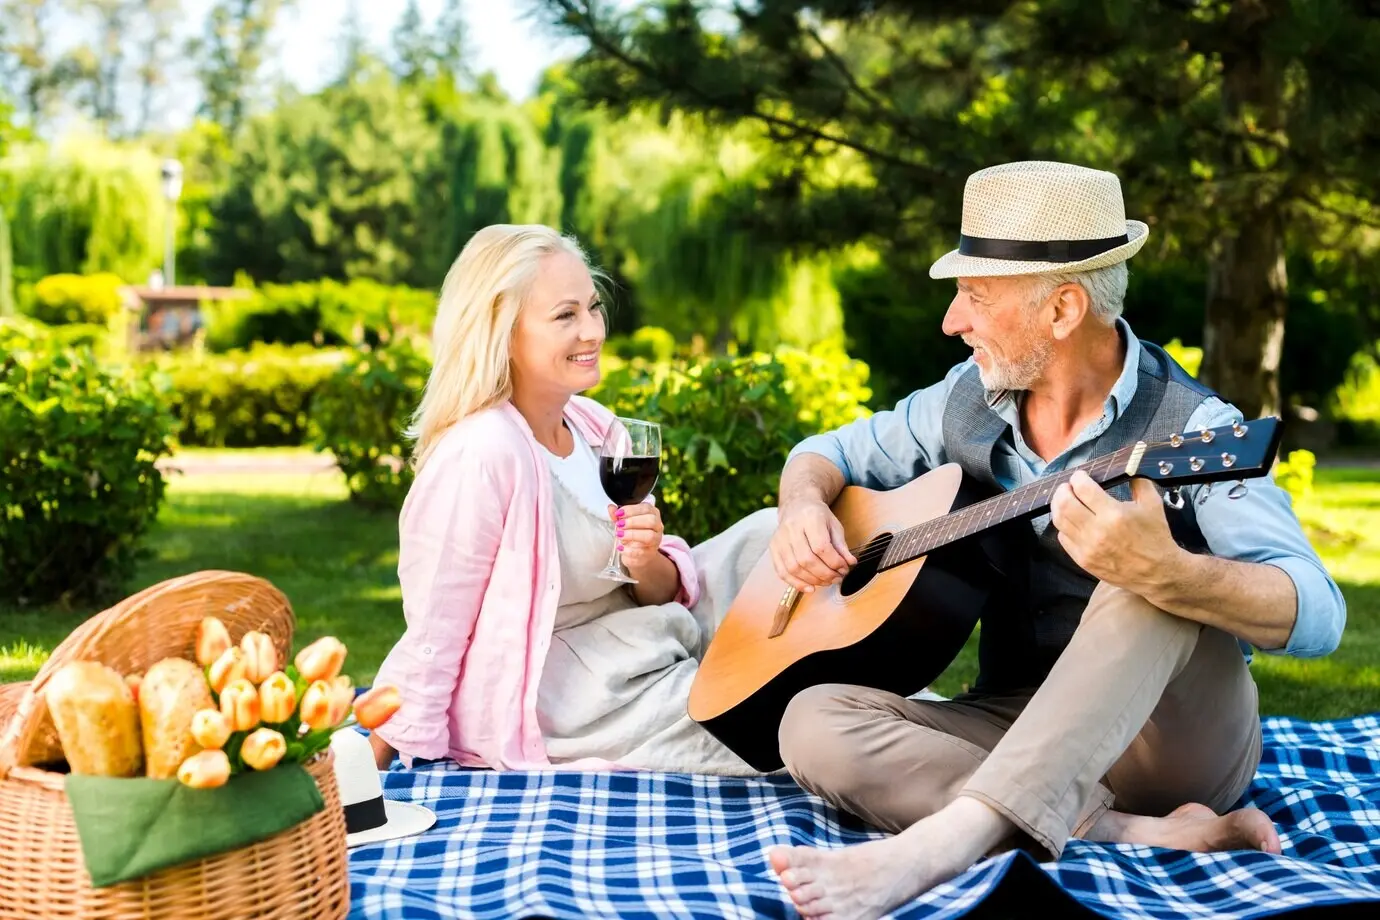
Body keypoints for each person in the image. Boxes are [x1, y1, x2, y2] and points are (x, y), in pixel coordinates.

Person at [764, 161, 1347, 919]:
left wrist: (1173, 573)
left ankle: (943, 844)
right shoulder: (965, 400)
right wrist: (801, 504)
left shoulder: (1200, 429)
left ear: (1064, 309)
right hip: (1015, 716)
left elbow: (1322, 614)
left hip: (1171, 741)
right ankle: (1127, 833)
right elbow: (828, 454)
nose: (951, 321)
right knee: (810, 721)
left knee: (1149, 579)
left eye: (975, 296)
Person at [366, 224, 771, 777]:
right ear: (502, 333)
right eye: (565, 316)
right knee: (760, 720)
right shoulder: (482, 451)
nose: (592, 331)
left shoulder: (598, 430)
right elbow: (437, 625)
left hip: (641, 636)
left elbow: (654, 590)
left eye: (593, 308)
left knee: (772, 535)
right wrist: (384, 754)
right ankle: (845, 717)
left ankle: (844, 671)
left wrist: (647, 558)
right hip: (572, 688)